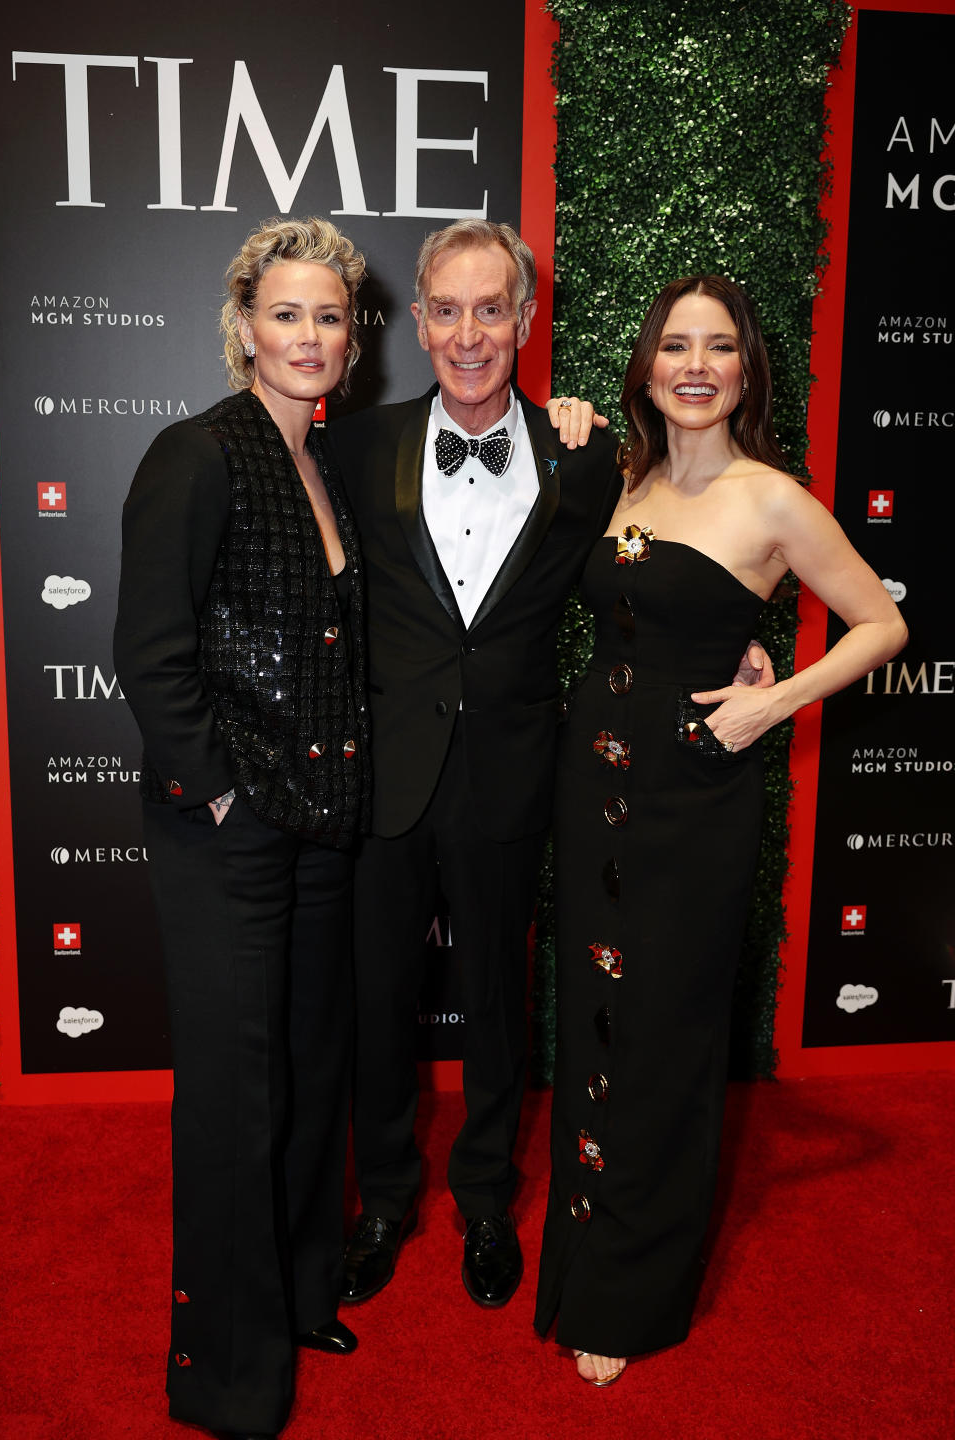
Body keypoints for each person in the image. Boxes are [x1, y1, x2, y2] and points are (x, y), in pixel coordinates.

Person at [327, 225, 767, 1312]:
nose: (469, 333)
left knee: (494, 1000)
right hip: (387, 773)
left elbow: (656, 577)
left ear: (525, 323)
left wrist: (739, 647)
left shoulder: (585, 460)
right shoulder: (355, 446)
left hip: (516, 776)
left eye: (492, 310)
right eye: (448, 309)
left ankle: (483, 1197)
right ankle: (383, 1198)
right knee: (376, 1000)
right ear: (418, 320)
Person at [533, 274, 908, 1386]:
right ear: (646, 365)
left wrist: (771, 698)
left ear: (748, 370)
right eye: (674, 346)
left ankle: (632, 1296)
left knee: (664, 1041)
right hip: (586, 785)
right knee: (593, 1021)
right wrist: (564, 427)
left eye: (720, 348)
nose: (694, 366)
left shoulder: (773, 500)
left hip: (695, 801)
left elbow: (883, 623)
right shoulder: (619, 478)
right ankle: (578, 1256)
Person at [113, 217, 370, 1440]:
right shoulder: (199, 454)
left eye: (330, 315)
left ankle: (302, 1290)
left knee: (311, 1072)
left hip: (321, 825)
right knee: (234, 1095)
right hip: (229, 831)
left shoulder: (324, 460)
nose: (310, 336)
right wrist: (219, 792)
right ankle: (224, 1370)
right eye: (287, 314)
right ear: (244, 327)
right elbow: (152, 657)